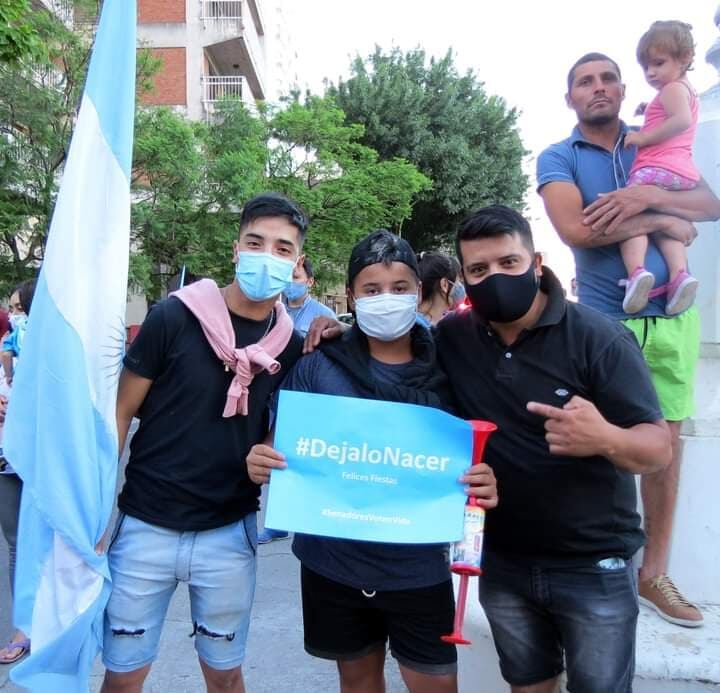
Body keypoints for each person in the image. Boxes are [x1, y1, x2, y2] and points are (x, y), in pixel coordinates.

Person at [247, 229, 498, 693]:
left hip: (418, 568)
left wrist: (484, 480)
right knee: (357, 681)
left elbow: (475, 457)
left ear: (418, 293)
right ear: (351, 295)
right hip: (332, 566)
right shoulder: (317, 366)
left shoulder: (450, 370)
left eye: (400, 288)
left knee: (435, 684)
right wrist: (262, 458)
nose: (387, 298)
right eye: (371, 289)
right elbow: (281, 442)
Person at [434, 205, 670, 692]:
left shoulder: (599, 340)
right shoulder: (454, 337)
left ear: (536, 263)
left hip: (593, 565)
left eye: (509, 263)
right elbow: (391, 355)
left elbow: (658, 449)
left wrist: (605, 437)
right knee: (528, 684)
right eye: (478, 270)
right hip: (503, 560)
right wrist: (330, 333)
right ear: (463, 276)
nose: (494, 277)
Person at [537, 52, 720, 627]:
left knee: (666, 438)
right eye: (585, 81)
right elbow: (575, 229)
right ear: (570, 97)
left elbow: (710, 205)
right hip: (602, 322)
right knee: (597, 440)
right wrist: (666, 219)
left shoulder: (658, 140)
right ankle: (599, 568)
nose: (599, 88)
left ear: (623, 88)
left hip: (673, 317)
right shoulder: (559, 156)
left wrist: (642, 200)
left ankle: (653, 575)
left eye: (608, 78)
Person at [100, 193, 307, 693]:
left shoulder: (293, 346)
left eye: (282, 249)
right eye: (256, 242)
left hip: (228, 533)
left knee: (226, 676)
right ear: (236, 249)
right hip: (144, 528)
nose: (267, 255)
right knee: (122, 678)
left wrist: (270, 451)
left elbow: (283, 428)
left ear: (297, 263)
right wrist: (95, 512)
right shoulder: (173, 317)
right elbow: (119, 414)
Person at [620, 21, 700, 315]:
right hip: (681, 174)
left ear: (686, 58)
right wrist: (649, 109)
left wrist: (642, 136)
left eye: (658, 63)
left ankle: (636, 273)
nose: (651, 72)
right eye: (646, 67)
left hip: (655, 168)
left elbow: (680, 121)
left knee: (631, 220)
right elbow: (674, 115)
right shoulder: (684, 90)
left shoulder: (671, 90)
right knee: (665, 224)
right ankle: (680, 276)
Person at [258, 256, 335, 544]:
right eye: (288, 277)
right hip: (274, 394)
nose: (292, 283)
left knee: (303, 456)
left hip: (306, 398)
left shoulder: (323, 314)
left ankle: (311, 515)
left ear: (310, 282)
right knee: (274, 455)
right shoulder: (272, 311)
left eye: (298, 277)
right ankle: (276, 521)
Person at [0, 279, 37, 665]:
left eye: (20, 307)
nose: (15, 315)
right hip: (5, 456)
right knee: (17, 542)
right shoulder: (9, 341)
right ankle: (23, 627)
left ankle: (60, 620)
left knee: (58, 538)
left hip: (46, 457)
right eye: (12, 309)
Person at [416, 251, 465, 328]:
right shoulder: (419, 332)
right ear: (444, 284)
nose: (460, 287)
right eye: (457, 281)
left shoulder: (412, 322)